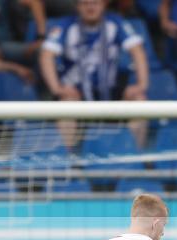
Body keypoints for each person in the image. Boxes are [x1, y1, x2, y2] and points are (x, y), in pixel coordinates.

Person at [39, 0, 149, 146]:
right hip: (76, 92)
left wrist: (142, 84)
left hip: (110, 91)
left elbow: (137, 50)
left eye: (95, 3)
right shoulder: (65, 24)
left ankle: (137, 156)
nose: (90, 7)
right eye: (85, 3)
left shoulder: (115, 22)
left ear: (104, 4)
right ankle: (70, 161)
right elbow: (46, 54)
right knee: (66, 105)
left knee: (139, 100)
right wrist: (57, 88)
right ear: (77, 6)